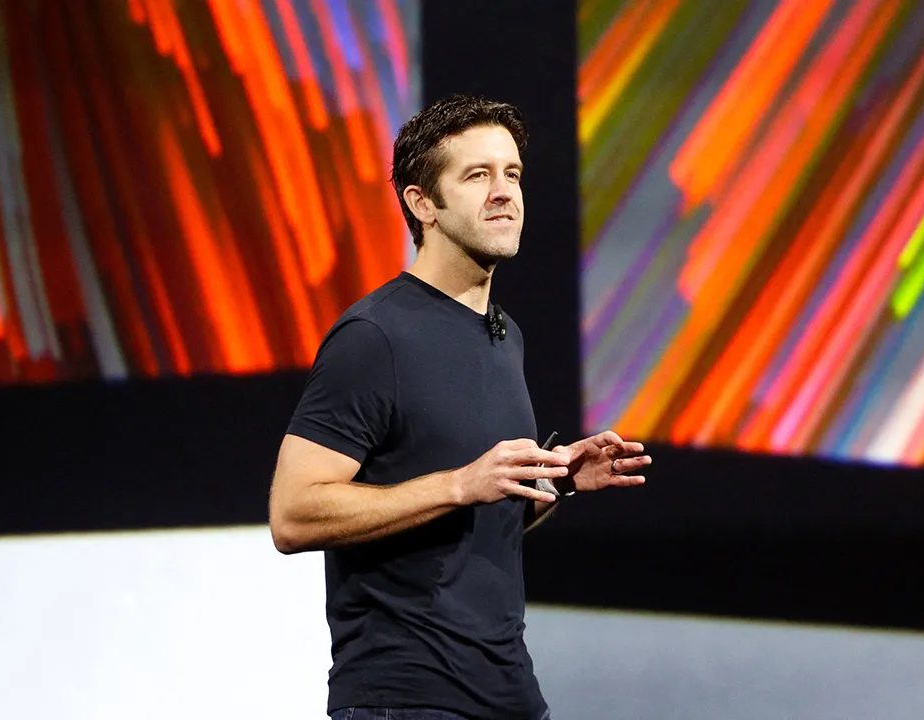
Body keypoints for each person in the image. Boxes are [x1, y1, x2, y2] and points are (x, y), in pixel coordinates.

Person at [269, 95, 652, 720]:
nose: (504, 192)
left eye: (513, 174)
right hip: (406, 697)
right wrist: (458, 484)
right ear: (424, 205)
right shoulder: (375, 336)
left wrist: (552, 482)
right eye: (477, 176)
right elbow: (293, 513)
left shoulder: (505, 334)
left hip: (507, 694)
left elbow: (474, 519)